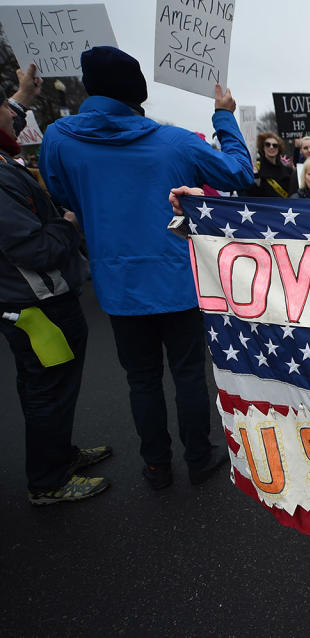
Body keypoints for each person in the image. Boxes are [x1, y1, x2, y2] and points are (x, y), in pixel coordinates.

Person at [39, 46, 254, 490]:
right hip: (177, 281)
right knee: (190, 374)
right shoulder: (174, 141)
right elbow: (238, 173)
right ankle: (198, 457)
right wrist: (224, 116)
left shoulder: (59, 139)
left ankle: (156, 465)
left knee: (142, 381)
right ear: (138, 92)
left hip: (118, 286)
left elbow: (62, 194)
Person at [1, 64, 111, 504]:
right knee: (47, 389)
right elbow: (33, 249)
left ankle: (59, 456)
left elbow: (10, 114)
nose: (10, 112)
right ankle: (48, 481)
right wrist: (67, 222)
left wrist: (24, 95)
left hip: (43, 298)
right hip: (35, 307)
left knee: (55, 385)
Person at [246, 132, 298, 198]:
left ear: (279, 149)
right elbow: (252, 194)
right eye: (267, 145)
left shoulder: (288, 171)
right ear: (263, 148)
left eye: (275, 145)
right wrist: (254, 177)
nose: (271, 147)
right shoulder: (256, 169)